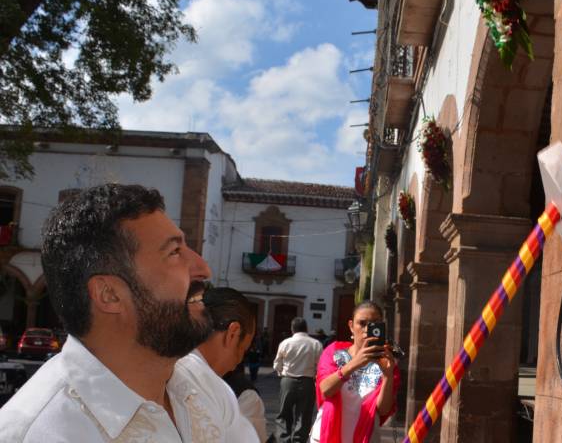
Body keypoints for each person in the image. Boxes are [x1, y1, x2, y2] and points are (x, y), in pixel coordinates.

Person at [0, 184, 258, 442]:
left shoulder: (202, 384)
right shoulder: (40, 433)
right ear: (109, 294)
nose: (203, 268)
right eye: (174, 252)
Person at [187, 286, 268, 442]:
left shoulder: (159, 366)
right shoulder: (238, 396)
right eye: (243, 350)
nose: (236, 363)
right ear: (232, 334)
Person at [311, 300, 400, 443]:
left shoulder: (387, 362)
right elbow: (326, 390)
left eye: (374, 324)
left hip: (366, 437)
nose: (367, 329)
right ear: (351, 326)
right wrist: (353, 364)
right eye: (362, 323)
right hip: (326, 436)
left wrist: (388, 376)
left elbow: (383, 410)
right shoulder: (333, 352)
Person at [273, 317, 324, 443]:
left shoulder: (285, 343)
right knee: (304, 415)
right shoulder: (315, 344)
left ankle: (283, 440)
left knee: (284, 413)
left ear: (292, 329)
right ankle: (299, 440)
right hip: (307, 382)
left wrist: (282, 373)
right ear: (306, 328)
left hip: (288, 381)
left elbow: (277, 365)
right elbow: (320, 365)